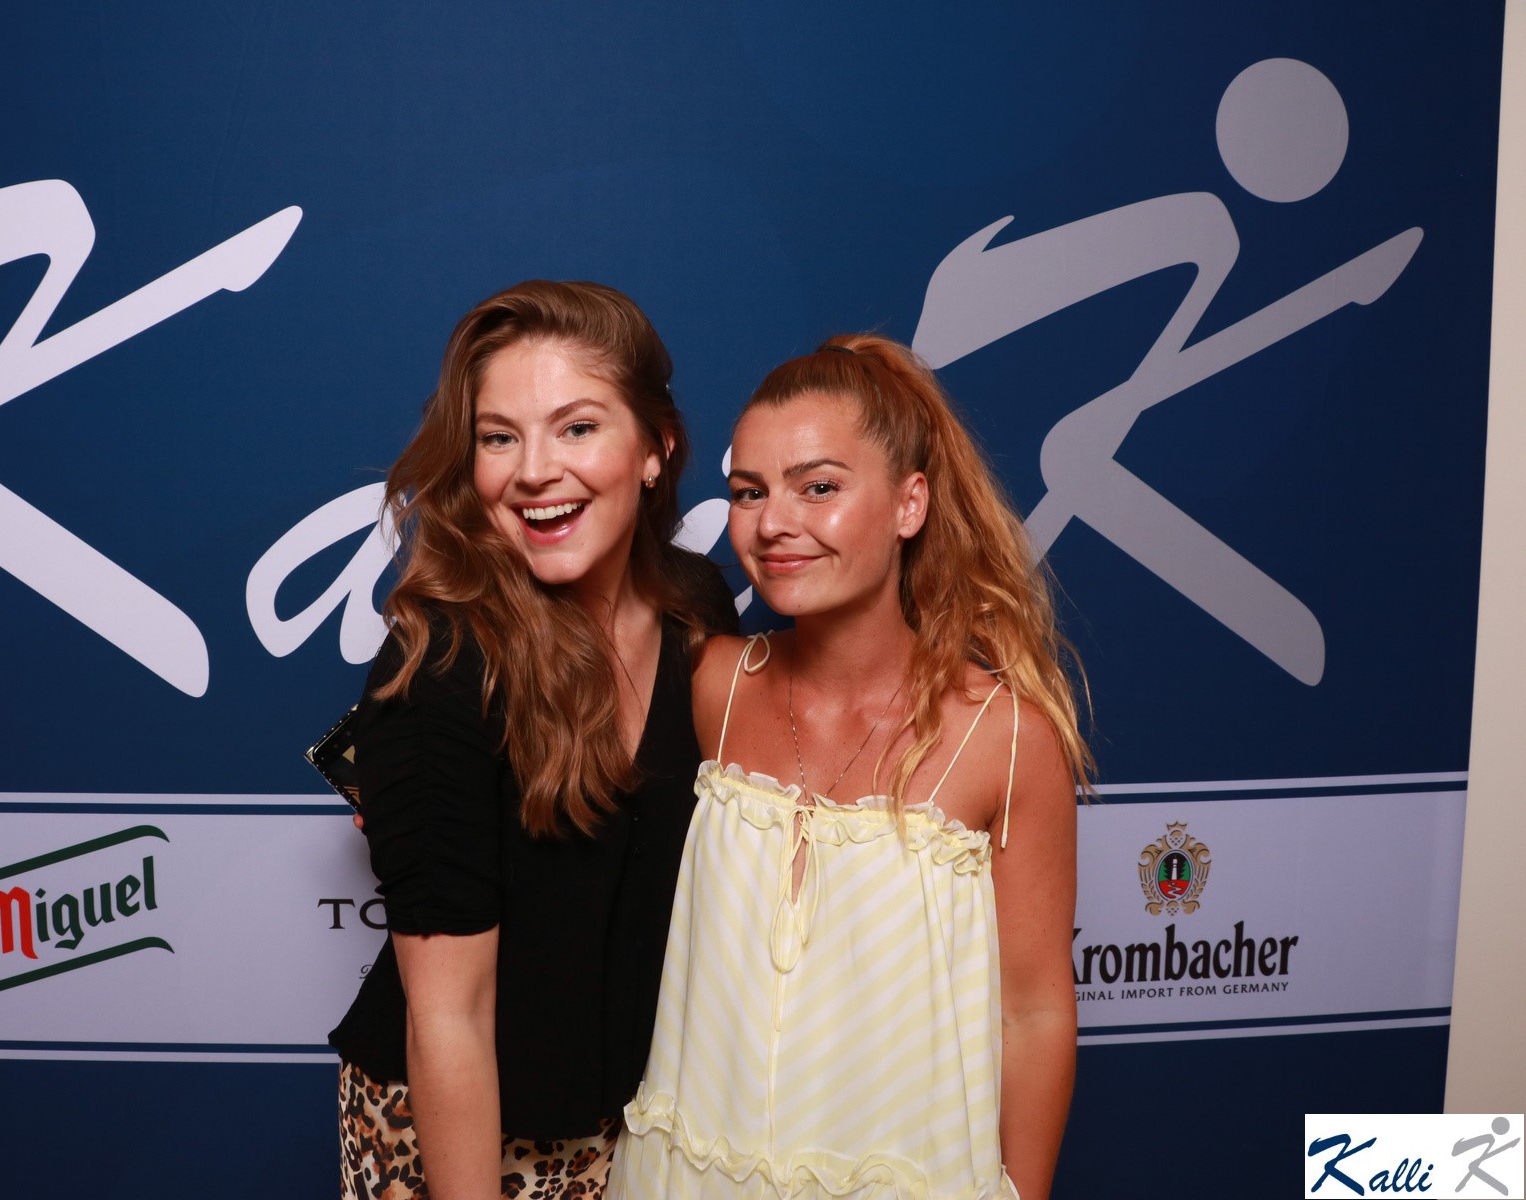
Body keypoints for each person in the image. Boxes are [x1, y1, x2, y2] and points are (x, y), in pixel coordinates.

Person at [610, 334, 1092, 1200]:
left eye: (819, 487)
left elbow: (1035, 1013)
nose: (773, 523)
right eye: (749, 492)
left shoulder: (1006, 738)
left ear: (910, 504)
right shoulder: (714, 684)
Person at [331, 280, 738, 1199]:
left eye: (577, 428)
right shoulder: (440, 669)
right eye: (498, 437)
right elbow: (449, 1016)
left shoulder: (698, 611)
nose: (534, 471)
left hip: (636, 1118)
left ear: (656, 448)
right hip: (459, 1134)